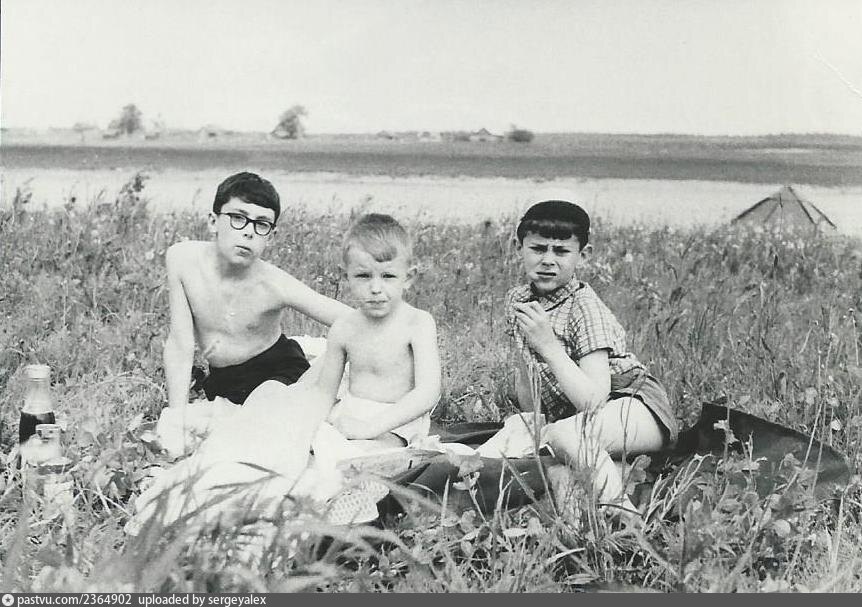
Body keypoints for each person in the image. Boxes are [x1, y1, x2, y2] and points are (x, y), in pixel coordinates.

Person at [498, 199, 678, 517]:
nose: (548, 261)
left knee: (566, 435)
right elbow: (530, 389)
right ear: (518, 248)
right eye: (538, 249)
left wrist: (548, 345)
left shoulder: (584, 307)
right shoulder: (519, 300)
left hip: (632, 402)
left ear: (584, 255)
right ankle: (598, 515)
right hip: (579, 419)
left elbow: (594, 400)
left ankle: (623, 514)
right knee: (548, 453)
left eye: (561, 251)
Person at [163, 171, 352, 410]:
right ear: (213, 221)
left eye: (261, 224)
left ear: (270, 236)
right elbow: (180, 344)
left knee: (260, 412)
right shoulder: (183, 260)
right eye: (238, 218)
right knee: (189, 424)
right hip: (224, 381)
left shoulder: (274, 284)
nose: (248, 232)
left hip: (278, 372)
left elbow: (351, 321)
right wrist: (176, 414)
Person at [313, 213, 442, 448]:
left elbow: (428, 392)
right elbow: (324, 393)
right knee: (307, 449)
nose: (375, 288)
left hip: (398, 420)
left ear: (408, 278)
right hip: (350, 414)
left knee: (363, 457)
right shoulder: (344, 327)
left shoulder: (417, 323)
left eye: (388, 276)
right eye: (363, 276)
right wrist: (312, 426)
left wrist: (371, 428)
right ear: (345, 277)